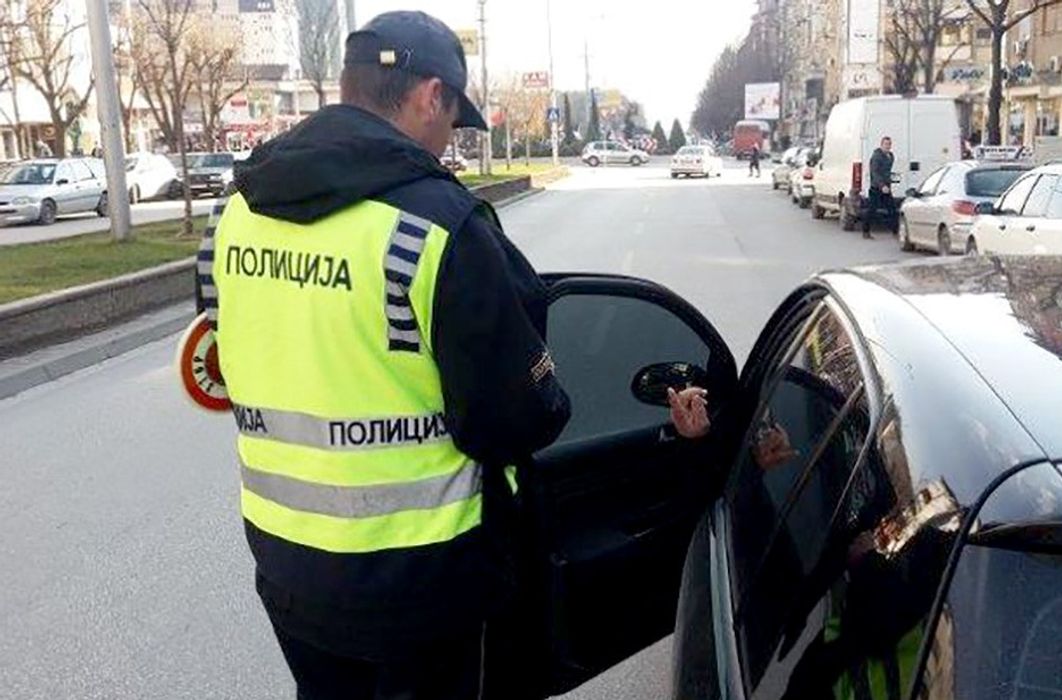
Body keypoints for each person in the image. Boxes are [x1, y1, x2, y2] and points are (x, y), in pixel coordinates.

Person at [199, 10, 709, 698]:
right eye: (451, 120)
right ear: (430, 95)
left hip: (287, 565)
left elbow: (229, 356)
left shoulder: (235, 213)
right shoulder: (438, 227)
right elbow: (517, 419)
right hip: (421, 585)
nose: (448, 140)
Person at [861, 136, 897, 240]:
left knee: (892, 210)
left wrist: (888, 182)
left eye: (889, 144)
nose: (888, 146)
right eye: (886, 144)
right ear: (881, 145)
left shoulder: (890, 156)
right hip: (876, 188)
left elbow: (887, 172)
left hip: (886, 188)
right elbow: (875, 173)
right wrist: (882, 185)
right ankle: (866, 231)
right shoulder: (876, 156)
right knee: (872, 210)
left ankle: (895, 231)